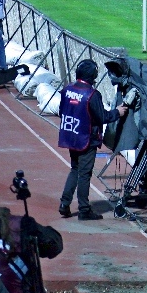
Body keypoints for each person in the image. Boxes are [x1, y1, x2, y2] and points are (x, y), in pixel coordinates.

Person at [58, 59, 128, 220]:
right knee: (84, 174)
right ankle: (84, 210)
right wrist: (118, 112)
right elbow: (103, 117)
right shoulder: (92, 94)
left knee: (75, 169)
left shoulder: (67, 89)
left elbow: (62, 111)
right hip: (86, 139)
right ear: (93, 76)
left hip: (71, 136)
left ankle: (64, 204)